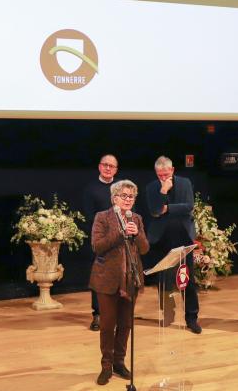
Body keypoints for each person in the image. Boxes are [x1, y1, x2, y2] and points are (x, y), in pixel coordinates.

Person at [89, 180, 149, 386]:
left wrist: (137, 233)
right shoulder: (102, 217)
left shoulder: (137, 219)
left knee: (125, 324)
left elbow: (144, 249)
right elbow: (97, 246)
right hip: (106, 279)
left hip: (130, 279)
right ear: (114, 198)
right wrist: (120, 233)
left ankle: (119, 362)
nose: (128, 200)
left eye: (131, 196)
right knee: (107, 325)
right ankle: (106, 366)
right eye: (124, 195)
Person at [144, 156, 202, 334]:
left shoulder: (185, 183)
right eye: (160, 175)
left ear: (173, 170)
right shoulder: (152, 187)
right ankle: (167, 314)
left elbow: (189, 206)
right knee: (164, 280)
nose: (163, 177)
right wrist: (163, 190)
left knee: (187, 279)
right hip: (161, 238)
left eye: (166, 174)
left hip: (183, 238)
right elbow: (154, 211)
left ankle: (191, 318)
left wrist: (168, 208)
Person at [82, 154, 118, 331]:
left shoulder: (121, 188)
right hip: (101, 241)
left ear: (116, 170)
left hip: (120, 241)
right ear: (99, 167)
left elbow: (131, 210)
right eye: (105, 165)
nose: (108, 168)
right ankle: (97, 315)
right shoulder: (91, 189)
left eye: (112, 166)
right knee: (99, 279)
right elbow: (89, 217)